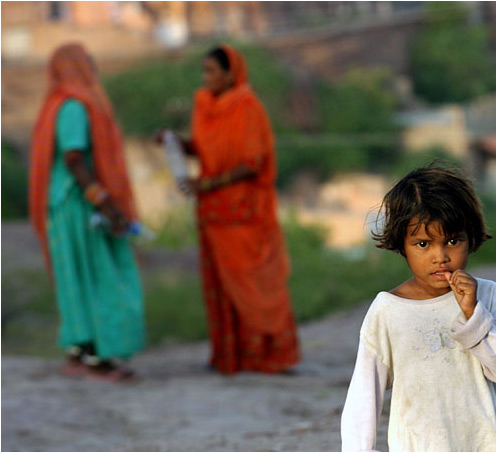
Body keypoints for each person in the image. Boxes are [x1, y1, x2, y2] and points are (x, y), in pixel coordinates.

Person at [341, 163, 496, 451]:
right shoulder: (388, 311)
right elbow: (363, 398)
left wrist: (473, 315)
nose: (440, 256)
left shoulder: (488, 296)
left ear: (472, 238)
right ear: (402, 244)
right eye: (423, 244)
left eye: (453, 241)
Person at [159, 44, 299, 374]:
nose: (205, 78)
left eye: (211, 71)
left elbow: (252, 162)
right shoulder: (205, 107)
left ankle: (268, 355)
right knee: (220, 284)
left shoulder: (247, 108)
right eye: (204, 71)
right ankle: (229, 355)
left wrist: (206, 184)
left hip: (244, 212)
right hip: (213, 213)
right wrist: (175, 143)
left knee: (254, 283)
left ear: (230, 73)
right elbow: (205, 150)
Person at [29, 42, 145, 382]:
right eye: (87, 63)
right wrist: (106, 203)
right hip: (77, 205)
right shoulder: (74, 107)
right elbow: (74, 158)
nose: (93, 69)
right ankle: (97, 356)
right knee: (98, 277)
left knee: (78, 278)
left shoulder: (60, 105)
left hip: (69, 204)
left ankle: (81, 353)